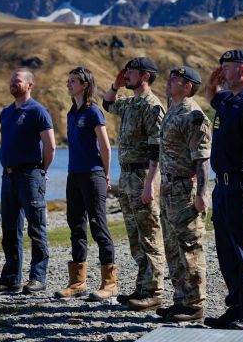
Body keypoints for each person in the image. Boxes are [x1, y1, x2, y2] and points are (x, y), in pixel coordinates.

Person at [203, 49, 243, 331]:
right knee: (226, 251)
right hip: (223, 186)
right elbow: (212, 94)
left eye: (226, 68)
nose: (222, 72)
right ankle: (236, 307)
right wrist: (213, 81)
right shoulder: (229, 101)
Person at [103, 57, 166, 311]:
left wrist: (150, 183)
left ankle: (154, 291)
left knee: (149, 234)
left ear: (146, 76)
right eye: (126, 71)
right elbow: (108, 104)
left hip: (143, 175)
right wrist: (116, 84)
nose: (127, 74)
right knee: (135, 235)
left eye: (132, 72)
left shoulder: (152, 106)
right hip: (127, 176)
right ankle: (142, 287)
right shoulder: (130, 103)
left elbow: (156, 149)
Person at [0, 68, 56, 295]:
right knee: (9, 229)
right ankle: (11, 279)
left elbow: (50, 146)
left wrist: (40, 171)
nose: (13, 84)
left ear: (30, 85)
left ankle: (37, 278)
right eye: (11, 81)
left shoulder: (38, 112)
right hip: (8, 176)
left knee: (36, 227)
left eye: (17, 81)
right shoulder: (6, 113)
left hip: (30, 175)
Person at [55, 67, 117, 302]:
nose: (68, 84)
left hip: (93, 175)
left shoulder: (93, 112)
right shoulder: (72, 113)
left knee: (98, 227)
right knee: (76, 226)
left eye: (73, 81)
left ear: (84, 84)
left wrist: (106, 174)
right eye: (68, 80)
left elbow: (105, 146)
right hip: (74, 176)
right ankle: (78, 282)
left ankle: (109, 284)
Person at [154, 66, 211, 322]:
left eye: (176, 79)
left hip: (185, 191)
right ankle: (180, 299)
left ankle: (194, 304)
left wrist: (202, 193)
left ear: (188, 86)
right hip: (169, 188)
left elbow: (202, 159)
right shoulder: (172, 110)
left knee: (190, 247)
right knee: (172, 248)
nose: (169, 81)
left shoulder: (193, 115)